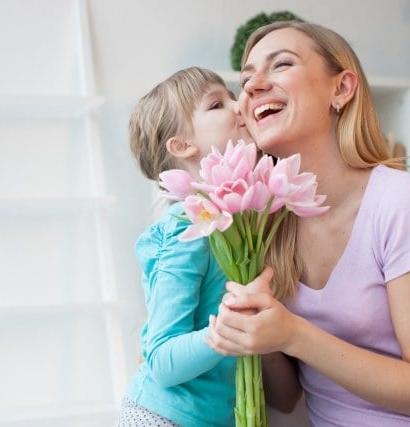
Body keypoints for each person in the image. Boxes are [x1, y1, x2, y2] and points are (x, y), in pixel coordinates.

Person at [205, 21, 410, 426]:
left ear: (341, 89)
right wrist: (260, 333)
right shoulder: (267, 226)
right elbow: (286, 399)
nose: (252, 86)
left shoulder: (402, 202)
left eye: (281, 65)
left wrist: (292, 334)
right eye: (247, 77)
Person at [118, 66, 253, 427]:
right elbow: (161, 361)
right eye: (217, 104)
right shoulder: (187, 226)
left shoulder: (237, 217)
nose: (239, 105)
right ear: (181, 146)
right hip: (161, 417)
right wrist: (226, 332)